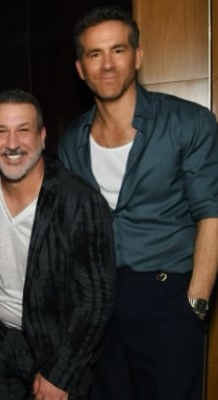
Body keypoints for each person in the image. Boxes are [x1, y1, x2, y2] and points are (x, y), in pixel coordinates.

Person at [59, 6, 218, 400]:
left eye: (118, 50)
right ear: (81, 68)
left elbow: (212, 213)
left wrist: (195, 304)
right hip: (99, 306)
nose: (107, 64)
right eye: (95, 54)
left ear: (138, 56)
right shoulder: (72, 140)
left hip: (168, 298)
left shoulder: (188, 122)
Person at [0, 89, 116, 399]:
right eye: (1, 131)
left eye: (23, 130)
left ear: (42, 136)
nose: (12, 143)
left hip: (57, 348)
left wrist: (61, 374)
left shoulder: (79, 201)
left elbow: (97, 299)